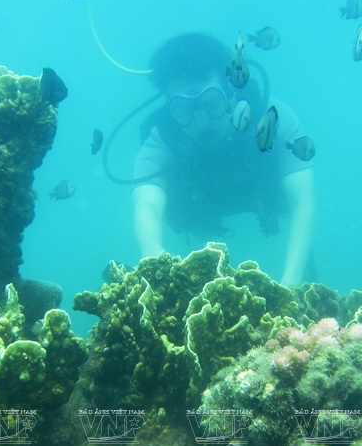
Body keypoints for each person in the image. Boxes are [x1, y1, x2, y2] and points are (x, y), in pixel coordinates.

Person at [131, 33, 316, 286]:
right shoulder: (161, 138)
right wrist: (151, 258)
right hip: (200, 212)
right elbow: (146, 204)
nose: (201, 119)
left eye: (211, 102)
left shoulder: (272, 119)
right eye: (184, 109)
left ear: (230, 92)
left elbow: (301, 201)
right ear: (168, 108)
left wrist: (292, 280)